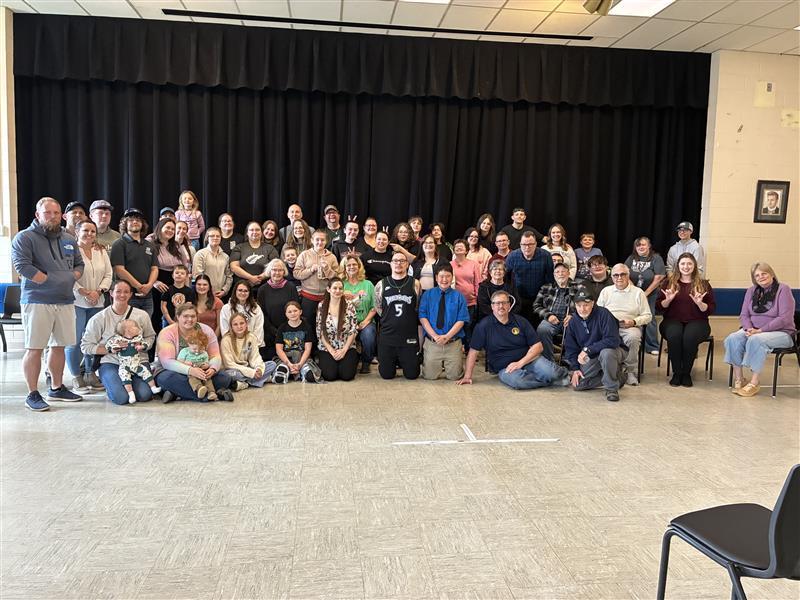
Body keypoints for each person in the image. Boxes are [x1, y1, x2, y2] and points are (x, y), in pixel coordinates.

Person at [12, 197, 85, 411]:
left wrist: (72, 276)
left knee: (59, 345)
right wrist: (51, 280)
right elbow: (22, 267)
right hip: (37, 300)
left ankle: (56, 387)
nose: (52, 216)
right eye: (47, 213)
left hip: (64, 301)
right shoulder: (24, 237)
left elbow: (79, 263)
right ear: (38, 215)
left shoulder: (68, 238)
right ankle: (32, 393)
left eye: (55, 212)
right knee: (35, 348)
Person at [457, 290, 569, 390]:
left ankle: (564, 375)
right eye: (497, 303)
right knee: (518, 382)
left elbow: (538, 346)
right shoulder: (483, 326)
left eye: (504, 302)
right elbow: (473, 352)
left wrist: (520, 363)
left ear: (509, 305)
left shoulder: (521, 321)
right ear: (492, 306)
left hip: (529, 360)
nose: (501, 306)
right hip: (505, 367)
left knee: (552, 372)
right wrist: (467, 376)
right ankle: (550, 382)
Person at [724, 263, 796, 397]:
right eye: (757, 275)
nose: (761, 277)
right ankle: (739, 379)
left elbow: (785, 318)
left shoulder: (783, 289)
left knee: (756, 339)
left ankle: (754, 382)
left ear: (771, 274)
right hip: (754, 330)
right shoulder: (751, 291)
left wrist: (761, 330)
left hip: (781, 333)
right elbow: (744, 314)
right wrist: (749, 328)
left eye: (764, 273)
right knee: (732, 338)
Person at [81, 280, 158, 406]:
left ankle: (131, 383)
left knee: (145, 395)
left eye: (126, 292)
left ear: (131, 294)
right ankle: (112, 383)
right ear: (111, 293)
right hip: (111, 362)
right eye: (118, 291)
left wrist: (143, 346)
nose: (122, 295)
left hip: (137, 360)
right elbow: (85, 346)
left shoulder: (142, 315)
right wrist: (109, 349)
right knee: (121, 398)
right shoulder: (99, 318)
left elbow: (150, 336)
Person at [657, 252, 716, 387]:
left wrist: (700, 303)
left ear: (694, 266)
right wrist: (668, 300)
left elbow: (711, 309)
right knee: (675, 334)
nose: (686, 266)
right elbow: (659, 307)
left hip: (698, 321)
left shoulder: (703, 284)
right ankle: (677, 373)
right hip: (672, 320)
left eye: (689, 263)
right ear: (678, 266)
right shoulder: (668, 283)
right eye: (683, 263)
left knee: (689, 336)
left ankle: (686, 373)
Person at [66, 219, 112, 392]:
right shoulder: (70, 250)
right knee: (75, 340)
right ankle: (76, 376)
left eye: (93, 231)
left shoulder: (100, 251)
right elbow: (68, 274)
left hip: (97, 301)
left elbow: (109, 274)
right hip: (77, 301)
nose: (89, 234)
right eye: (86, 230)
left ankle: (90, 373)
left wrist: (99, 291)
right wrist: (84, 292)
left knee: (92, 339)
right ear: (77, 232)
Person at [155, 302, 233, 402]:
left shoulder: (206, 330)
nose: (190, 320)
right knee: (166, 379)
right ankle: (210, 395)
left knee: (224, 377)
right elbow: (167, 362)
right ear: (178, 317)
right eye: (185, 316)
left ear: (197, 317)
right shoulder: (167, 332)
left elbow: (215, 355)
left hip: (201, 370)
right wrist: (190, 370)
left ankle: (176, 393)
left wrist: (212, 369)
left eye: (193, 316)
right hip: (172, 371)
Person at [563, 289, 627, 402]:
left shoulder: (604, 314)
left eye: (586, 305)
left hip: (614, 351)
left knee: (606, 353)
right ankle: (618, 377)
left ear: (593, 303)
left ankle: (611, 388)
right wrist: (575, 368)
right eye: (579, 305)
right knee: (578, 385)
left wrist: (588, 350)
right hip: (592, 356)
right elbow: (570, 348)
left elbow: (613, 340)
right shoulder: (573, 322)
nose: (582, 309)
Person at [597, 264, 652, 386]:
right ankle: (603, 368)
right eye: (616, 275)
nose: (619, 278)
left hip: (629, 326)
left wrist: (633, 322)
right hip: (608, 326)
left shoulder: (638, 292)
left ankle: (630, 371)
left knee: (633, 337)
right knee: (596, 334)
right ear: (611, 277)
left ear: (628, 276)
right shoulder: (606, 291)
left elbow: (648, 316)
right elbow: (597, 313)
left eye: (623, 274)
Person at [374, 252, 422, 380]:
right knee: (386, 375)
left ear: (407, 264)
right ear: (390, 264)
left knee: (412, 375)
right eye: (395, 261)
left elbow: (416, 306)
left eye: (402, 261)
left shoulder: (415, 284)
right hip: (388, 335)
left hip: (409, 336)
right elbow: (378, 307)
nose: (398, 264)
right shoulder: (381, 284)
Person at [419, 265, 468, 381]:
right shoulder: (427, 295)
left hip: (452, 342)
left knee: (455, 376)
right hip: (432, 342)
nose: (444, 280)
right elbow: (423, 317)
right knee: (429, 377)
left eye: (448, 276)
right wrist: (435, 336)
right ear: (436, 278)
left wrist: (447, 336)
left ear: (452, 278)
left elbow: (461, 320)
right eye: (441, 276)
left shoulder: (459, 296)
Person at [110, 208, 159, 316]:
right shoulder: (119, 244)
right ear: (125, 224)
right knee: (127, 329)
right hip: (127, 296)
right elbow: (119, 269)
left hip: (147, 296)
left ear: (142, 224)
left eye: (138, 220)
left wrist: (149, 285)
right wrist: (139, 286)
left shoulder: (149, 245)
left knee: (145, 327)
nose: (135, 222)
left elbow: (154, 268)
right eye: (131, 220)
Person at [625, 236, 666, 355]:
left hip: (650, 293)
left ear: (649, 246)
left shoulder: (656, 258)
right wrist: (634, 291)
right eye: (638, 245)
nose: (641, 247)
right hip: (632, 293)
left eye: (643, 245)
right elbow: (625, 274)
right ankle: (634, 344)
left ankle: (652, 345)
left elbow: (659, 277)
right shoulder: (631, 258)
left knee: (649, 318)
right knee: (632, 316)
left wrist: (645, 293)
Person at [105, 319, 162, 403]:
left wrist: (142, 347)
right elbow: (108, 345)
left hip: (137, 364)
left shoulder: (137, 338)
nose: (138, 328)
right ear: (128, 331)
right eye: (135, 326)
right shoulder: (118, 339)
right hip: (125, 366)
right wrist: (113, 349)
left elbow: (145, 343)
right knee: (125, 379)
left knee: (146, 373)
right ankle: (131, 394)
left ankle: (153, 388)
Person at [504, 231, 554, 324]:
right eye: (524, 244)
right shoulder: (512, 256)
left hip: (539, 298)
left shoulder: (546, 255)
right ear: (520, 244)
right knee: (519, 325)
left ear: (535, 244)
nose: (527, 247)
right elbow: (505, 277)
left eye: (530, 244)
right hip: (518, 298)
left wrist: (546, 298)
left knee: (537, 325)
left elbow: (550, 279)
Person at [146, 217, 187, 331]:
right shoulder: (150, 243)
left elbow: (184, 265)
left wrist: (184, 286)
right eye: (167, 227)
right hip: (157, 282)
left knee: (173, 313)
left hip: (174, 282)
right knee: (157, 314)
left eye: (173, 229)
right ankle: (156, 345)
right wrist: (154, 282)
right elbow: (145, 266)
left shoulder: (176, 245)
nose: (170, 231)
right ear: (160, 228)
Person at [316, 278, 359, 381]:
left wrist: (344, 350)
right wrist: (331, 350)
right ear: (328, 289)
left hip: (346, 346)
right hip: (327, 346)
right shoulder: (322, 306)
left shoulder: (349, 306)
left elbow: (353, 330)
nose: (338, 291)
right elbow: (320, 331)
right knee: (330, 376)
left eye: (340, 288)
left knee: (347, 376)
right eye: (334, 288)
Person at [532, 263, 576, 361]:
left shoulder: (578, 287)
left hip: (570, 320)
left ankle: (569, 360)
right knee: (542, 329)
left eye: (563, 271)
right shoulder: (546, 287)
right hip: (551, 319)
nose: (560, 274)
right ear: (554, 275)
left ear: (568, 273)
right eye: (557, 272)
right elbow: (536, 305)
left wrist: (573, 316)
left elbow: (586, 306)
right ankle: (548, 360)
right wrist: (548, 315)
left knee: (576, 330)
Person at [221, 313, 277, 390]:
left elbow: (255, 357)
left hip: (247, 367)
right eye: (235, 324)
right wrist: (251, 373)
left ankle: (245, 383)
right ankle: (259, 380)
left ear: (246, 324)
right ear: (231, 326)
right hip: (234, 369)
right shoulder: (226, 340)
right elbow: (229, 364)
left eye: (242, 323)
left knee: (272, 364)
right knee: (230, 375)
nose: (239, 327)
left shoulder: (251, 337)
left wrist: (259, 369)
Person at [294, 230, 339, 323]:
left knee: (325, 323)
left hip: (326, 296)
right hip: (308, 297)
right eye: (317, 239)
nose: (320, 242)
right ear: (312, 240)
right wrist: (310, 270)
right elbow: (296, 274)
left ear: (326, 242)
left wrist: (327, 269)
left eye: (322, 240)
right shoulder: (304, 255)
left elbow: (337, 278)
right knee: (308, 323)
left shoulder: (332, 257)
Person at [341, 256, 377, 374]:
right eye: (349, 265)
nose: (352, 267)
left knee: (368, 335)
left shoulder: (368, 284)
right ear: (345, 268)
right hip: (346, 322)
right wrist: (343, 297)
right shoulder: (341, 284)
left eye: (354, 264)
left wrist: (366, 321)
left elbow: (375, 306)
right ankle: (349, 360)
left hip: (365, 320)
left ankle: (366, 362)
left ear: (359, 266)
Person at [257, 258, 301, 351]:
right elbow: (261, 313)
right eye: (274, 270)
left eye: (280, 270)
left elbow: (295, 310)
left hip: (289, 330)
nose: (277, 273)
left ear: (284, 271)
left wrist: (286, 328)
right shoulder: (262, 290)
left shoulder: (291, 287)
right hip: (269, 332)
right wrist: (273, 331)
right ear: (269, 271)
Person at [274, 300, 322, 383]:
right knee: (279, 377)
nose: (293, 313)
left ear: (300, 312)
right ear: (286, 314)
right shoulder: (282, 328)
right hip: (286, 359)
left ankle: (301, 372)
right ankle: (288, 370)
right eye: (289, 312)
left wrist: (300, 364)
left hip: (303, 358)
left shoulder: (307, 327)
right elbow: (279, 350)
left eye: (295, 311)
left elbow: (307, 349)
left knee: (311, 377)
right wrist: (289, 364)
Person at [229, 221, 278, 293]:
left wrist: (259, 278)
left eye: (257, 230)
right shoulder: (239, 247)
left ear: (261, 233)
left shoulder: (270, 248)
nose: (255, 232)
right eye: (251, 230)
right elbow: (234, 267)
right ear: (247, 233)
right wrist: (251, 278)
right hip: (242, 289)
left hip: (265, 288)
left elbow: (275, 266)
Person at [220, 281, 265, 354]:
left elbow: (258, 330)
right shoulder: (226, 308)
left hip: (253, 349)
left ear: (249, 293)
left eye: (246, 291)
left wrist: (249, 348)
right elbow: (225, 331)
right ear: (235, 291)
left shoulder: (256, 308)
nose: (243, 293)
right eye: (240, 290)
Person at [450, 239, 480, 347]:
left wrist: (476, 297)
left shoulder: (473, 264)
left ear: (466, 250)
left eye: (461, 246)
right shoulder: (450, 264)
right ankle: (457, 348)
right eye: (456, 246)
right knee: (456, 325)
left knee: (468, 325)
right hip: (454, 301)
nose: (458, 248)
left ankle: (468, 349)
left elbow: (478, 283)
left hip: (470, 301)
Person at [176, 327, 218, 400]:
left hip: (202, 369)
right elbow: (178, 361)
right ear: (189, 344)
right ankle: (199, 389)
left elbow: (207, 362)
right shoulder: (185, 351)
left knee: (208, 379)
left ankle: (211, 392)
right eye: (194, 349)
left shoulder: (204, 353)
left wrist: (206, 365)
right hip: (191, 370)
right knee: (193, 379)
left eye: (200, 349)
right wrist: (185, 363)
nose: (197, 351)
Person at [192, 227, 232, 299]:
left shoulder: (225, 257)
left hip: (221, 295)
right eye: (212, 236)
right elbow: (197, 275)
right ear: (207, 238)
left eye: (218, 236)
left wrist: (224, 290)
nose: (215, 238)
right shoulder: (200, 254)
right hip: (204, 295)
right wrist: (208, 291)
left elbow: (229, 276)